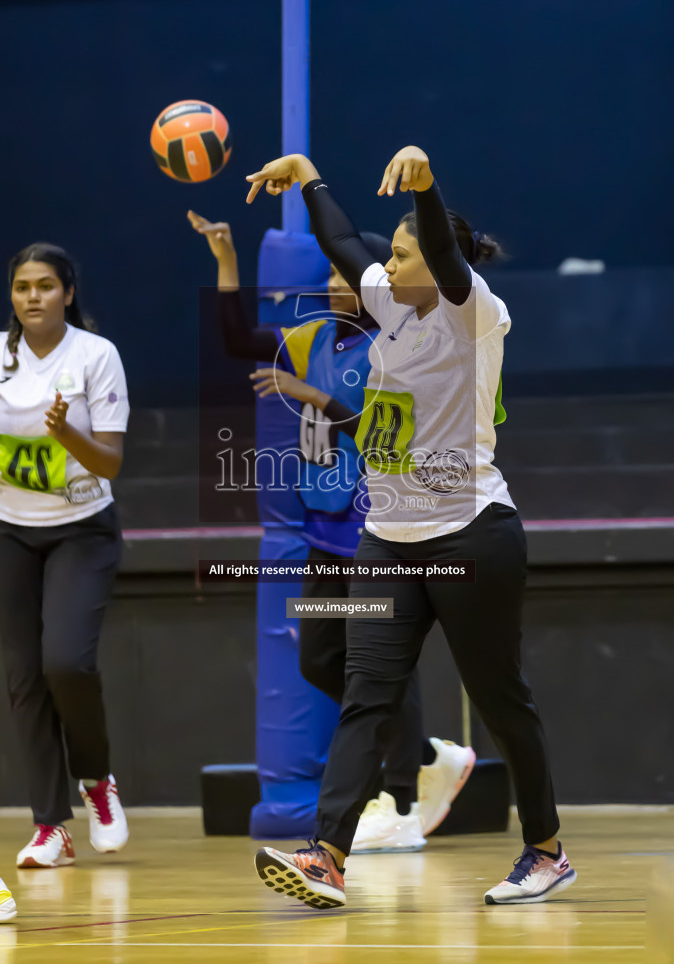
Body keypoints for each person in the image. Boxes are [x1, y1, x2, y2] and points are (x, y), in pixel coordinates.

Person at [245, 146, 577, 907]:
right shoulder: (390, 297)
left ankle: (547, 850)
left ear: (435, 258)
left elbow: (442, 259)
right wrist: (306, 177)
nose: (383, 268)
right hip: (388, 539)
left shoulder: (472, 310)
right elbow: (342, 242)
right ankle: (327, 856)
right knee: (366, 693)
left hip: (471, 536)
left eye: (401, 255)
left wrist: (426, 188)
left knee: (501, 700)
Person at [189, 212, 475, 851]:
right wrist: (227, 259)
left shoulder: (399, 349)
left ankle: (401, 801)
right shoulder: (313, 337)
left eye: (345, 275)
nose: (334, 286)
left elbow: (385, 432)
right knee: (321, 657)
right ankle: (429, 754)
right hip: (325, 535)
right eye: (328, 277)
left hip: (378, 530)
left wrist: (312, 399)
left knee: (380, 662)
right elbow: (237, 339)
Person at [0, 243, 129, 868]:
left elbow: (109, 464)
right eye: (22, 286)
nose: (32, 297)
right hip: (10, 533)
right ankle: (51, 826)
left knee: (66, 665)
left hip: (82, 529)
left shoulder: (95, 357)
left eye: (45, 285)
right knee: (23, 679)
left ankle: (98, 782)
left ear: (68, 294)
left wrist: (64, 432)